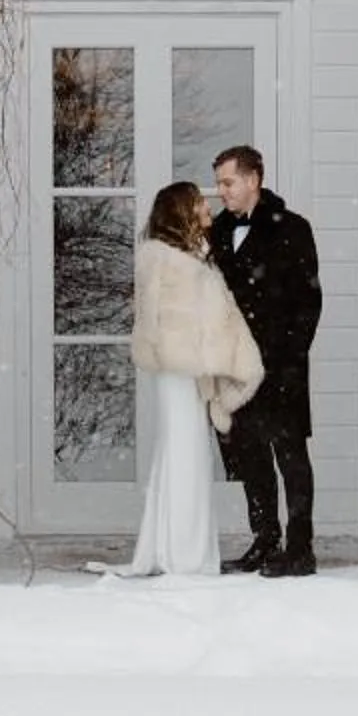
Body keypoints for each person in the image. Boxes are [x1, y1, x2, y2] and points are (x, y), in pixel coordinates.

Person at [93, 180, 263, 580]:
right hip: (182, 369)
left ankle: (175, 548)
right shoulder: (171, 263)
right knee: (185, 454)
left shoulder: (176, 258)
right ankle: (184, 556)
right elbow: (179, 324)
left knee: (181, 453)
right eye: (200, 203)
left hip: (183, 369)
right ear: (183, 211)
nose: (208, 207)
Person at [208, 145, 323, 577]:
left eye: (228, 182)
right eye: (219, 183)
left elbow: (308, 299)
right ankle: (265, 539)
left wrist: (290, 355)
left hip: (280, 363)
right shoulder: (217, 231)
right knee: (249, 455)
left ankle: (300, 548)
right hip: (233, 366)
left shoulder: (292, 228)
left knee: (290, 454)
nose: (221, 191)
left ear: (253, 179)